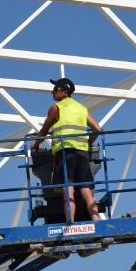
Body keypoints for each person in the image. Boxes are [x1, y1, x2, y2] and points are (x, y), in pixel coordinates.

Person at [31, 77, 102, 222]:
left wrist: (35, 145)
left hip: (65, 154)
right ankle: (97, 221)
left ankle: (70, 224)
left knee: (67, 189)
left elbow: (44, 131)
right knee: (86, 189)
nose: (52, 92)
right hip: (82, 154)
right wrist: (88, 143)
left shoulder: (56, 108)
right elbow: (97, 129)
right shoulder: (82, 108)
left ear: (64, 92)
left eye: (55, 89)